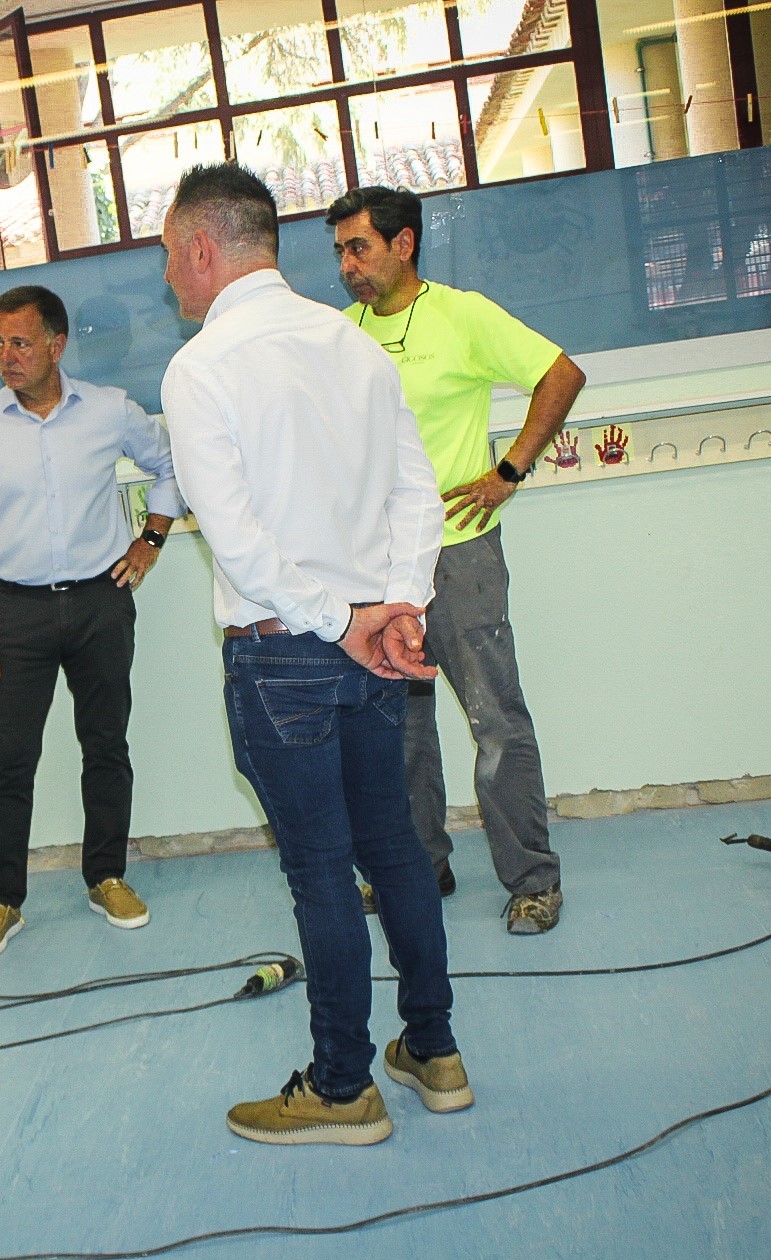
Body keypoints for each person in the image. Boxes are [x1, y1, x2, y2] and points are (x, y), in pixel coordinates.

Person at [159, 165, 471, 1145]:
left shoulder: (200, 369)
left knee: (323, 872)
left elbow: (240, 543)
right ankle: (435, 1051)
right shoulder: (356, 344)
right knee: (394, 847)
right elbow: (418, 496)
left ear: (203, 248)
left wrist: (343, 621)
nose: (168, 277)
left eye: (170, 256)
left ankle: (341, 1088)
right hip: (371, 644)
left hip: (288, 653)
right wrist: (398, 606)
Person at [328, 186, 586, 935]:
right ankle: (420, 868)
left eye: (359, 248)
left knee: (495, 719)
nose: (347, 266)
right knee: (398, 729)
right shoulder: (340, 335)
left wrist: (508, 471)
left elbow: (561, 374)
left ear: (403, 243)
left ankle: (533, 880)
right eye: (340, 252)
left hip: (459, 550)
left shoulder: (461, 315)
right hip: (377, 564)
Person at [0, 284, 182, 961]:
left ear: (56, 344)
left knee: (105, 744)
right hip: (13, 613)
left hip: (101, 601)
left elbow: (172, 464)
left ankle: (106, 877)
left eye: (20, 342)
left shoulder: (108, 411)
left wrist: (151, 540)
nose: (7, 356)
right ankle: (1, 901)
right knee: (8, 760)